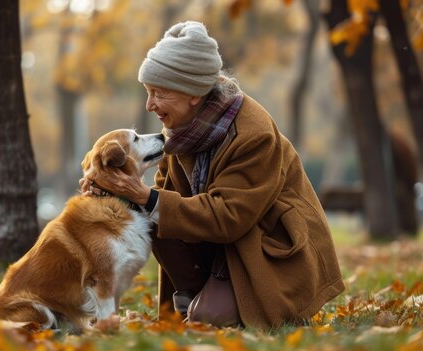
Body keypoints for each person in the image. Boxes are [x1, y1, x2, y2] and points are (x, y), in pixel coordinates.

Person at [80, 21, 344, 330]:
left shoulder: (252, 134)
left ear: (193, 93)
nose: (150, 105)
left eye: (158, 93)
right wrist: (111, 192)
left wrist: (143, 196)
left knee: (210, 319)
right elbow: (161, 203)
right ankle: (193, 295)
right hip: (222, 247)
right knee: (150, 218)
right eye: (147, 92)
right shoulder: (181, 130)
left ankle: (222, 302)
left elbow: (229, 217)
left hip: (266, 248)